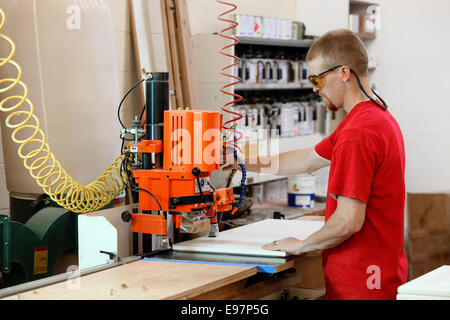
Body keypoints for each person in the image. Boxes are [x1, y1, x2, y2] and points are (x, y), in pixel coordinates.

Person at [222, 29, 407, 300]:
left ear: (343, 72)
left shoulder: (358, 133)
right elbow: (305, 160)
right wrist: (240, 162)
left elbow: (347, 221)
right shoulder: (376, 117)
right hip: (378, 274)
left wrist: (301, 245)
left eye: (317, 78)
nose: (314, 87)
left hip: (362, 284)